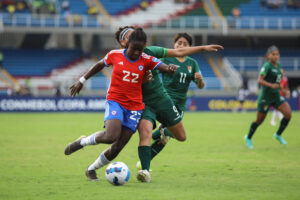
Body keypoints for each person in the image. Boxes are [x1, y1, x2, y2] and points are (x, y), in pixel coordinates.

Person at [64, 28, 177, 181]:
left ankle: (91, 169)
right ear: (127, 44)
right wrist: (81, 81)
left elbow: (162, 66)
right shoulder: (114, 55)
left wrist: (169, 69)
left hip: (135, 107)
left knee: (118, 146)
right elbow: (99, 65)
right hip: (115, 101)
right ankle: (82, 142)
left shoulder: (146, 58)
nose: (137, 53)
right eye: (134, 49)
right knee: (111, 136)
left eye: (140, 49)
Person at [113, 26, 223, 182]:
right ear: (124, 42)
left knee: (181, 136)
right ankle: (145, 171)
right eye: (179, 42)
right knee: (145, 134)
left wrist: (204, 48)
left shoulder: (151, 52)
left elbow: (178, 54)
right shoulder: (119, 58)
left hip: (163, 100)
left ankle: (162, 133)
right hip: (144, 103)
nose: (181, 46)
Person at [148, 32, 205, 163]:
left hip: (180, 104)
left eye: (185, 44)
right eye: (179, 43)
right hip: (165, 100)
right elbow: (153, 70)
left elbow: (200, 86)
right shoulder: (166, 59)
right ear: (174, 44)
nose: (181, 46)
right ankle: (146, 159)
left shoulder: (193, 63)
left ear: (189, 47)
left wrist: (200, 80)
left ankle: (146, 157)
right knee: (169, 134)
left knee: (166, 137)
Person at [244, 46, 292, 149]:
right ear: (268, 55)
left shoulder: (279, 68)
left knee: (288, 114)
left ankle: (278, 134)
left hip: (276, 96)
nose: (275, 56)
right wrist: (271, 85)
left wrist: (285, 90)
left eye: (277, 54)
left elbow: (278, 84)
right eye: (273, 54)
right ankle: (248, 137)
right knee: (259, 121)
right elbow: (259, 80)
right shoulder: (266, 66)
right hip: (265, 97)